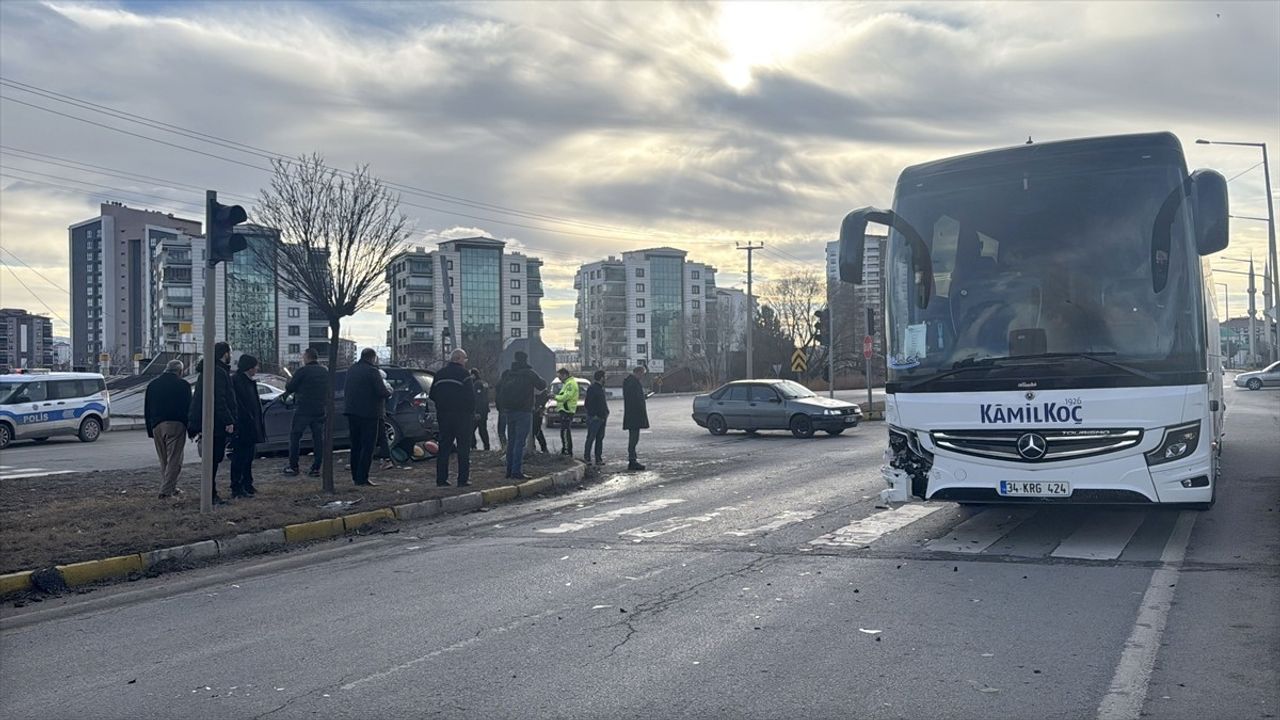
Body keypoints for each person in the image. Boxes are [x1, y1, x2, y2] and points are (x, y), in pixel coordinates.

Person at [188, 341, 237, 503]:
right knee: (213, 459)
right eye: (230, 352)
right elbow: (220, 400)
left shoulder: (210, 371)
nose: (231, 355)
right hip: (214, 423)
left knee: (212, 459)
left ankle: (210, 492)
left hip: (209, 422)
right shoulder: (218, 372)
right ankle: (210, 495)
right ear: (225, 354)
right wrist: (228, 420)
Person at [343, 348, 390, 487]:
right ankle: (362, 478)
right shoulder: (372, 371)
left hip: (352, 412)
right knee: (368, 446)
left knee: (355, 445)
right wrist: (389, 392)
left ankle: (355, 475)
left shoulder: (352, 370)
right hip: (370, 414)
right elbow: (381, 391)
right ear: (373, 358)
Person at [496, 350, 546, 480]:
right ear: (526, 359)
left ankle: (509, 470)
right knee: (520, 443)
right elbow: (542, 385)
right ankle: (516, 471)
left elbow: (498, 388)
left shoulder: (508, 374)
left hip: (509, 411)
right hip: (524, 411)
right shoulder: (529, 374)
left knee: (511, 442)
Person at [144, 359, 191, 498]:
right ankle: (165, 492)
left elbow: (147, 408)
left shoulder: (153, 385)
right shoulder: (183, 385)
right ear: (180, 371)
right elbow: (188, 407)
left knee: (164, 460)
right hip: (176, 425)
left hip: (156, 425)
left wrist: (150, 429)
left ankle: (171, 487)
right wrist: (191, 428)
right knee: (175, 460)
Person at [429, 348, 475, 487]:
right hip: (462, 417)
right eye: (464, 359)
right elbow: (470, 397)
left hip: (443, 416)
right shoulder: (464, 374)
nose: (465, 361)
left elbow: (432, 394)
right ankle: (462, 480)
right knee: (463, 449)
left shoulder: (439, 374)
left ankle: (441, 479)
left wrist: (442, 404)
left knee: (444, 448)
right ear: (459, 359)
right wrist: (470, 413)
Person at [282, 347, 328, 477]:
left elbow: (290, 388)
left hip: (303, 409)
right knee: (318, 439)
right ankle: (316, 468)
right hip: (319, 409)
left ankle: (293, 466)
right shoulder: (324, 371)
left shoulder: (302, 371)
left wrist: (289, 380)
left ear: (307, 357)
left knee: (295, 437)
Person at [229, 354, 266, 498]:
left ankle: (247, 483)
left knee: (249, 456)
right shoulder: (237, 381)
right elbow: (239, 405)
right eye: (255, 366)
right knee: (240, 457)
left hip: (251, 426)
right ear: (249, 367)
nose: (257, 368)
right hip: (243, 427)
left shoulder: (248, 382)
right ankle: (237, 487)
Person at [622, 365, 649, 471]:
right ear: (638, 372)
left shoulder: (629, 381)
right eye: (642, 374)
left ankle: (632, 459)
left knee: (633, 438)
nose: (642, 376)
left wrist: (643, 397)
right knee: (633, 439)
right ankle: (632, 460)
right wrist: (642, 398)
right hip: (634, 415)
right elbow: (635, 399)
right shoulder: (633, 383)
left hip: (631, 415)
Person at [583, 369, 609, 466]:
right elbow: (588, 403)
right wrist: (593, 415)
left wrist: (606, 412)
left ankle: (598, 458)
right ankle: (587, 458)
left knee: (599, 439)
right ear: (601, 377)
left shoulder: (600, 388)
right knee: (591, 438)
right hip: (595, 418)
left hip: (602, 417)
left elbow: (602, 403)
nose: (605, 379)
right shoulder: (593, 388)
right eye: (604, 377)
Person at [553, 368, 579, 456]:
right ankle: (565, 450)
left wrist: (555, 397)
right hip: (565, 410)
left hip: (567, 411)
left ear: (565, 375)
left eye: (560, 377)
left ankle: (567, 452)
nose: (560, 379)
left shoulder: (570, 384)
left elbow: (566, 396)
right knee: (564, 431)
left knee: (565, 432)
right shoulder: (567, 383)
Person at [471, 368, 491, 451]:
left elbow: (477, 399)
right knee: (482, 429)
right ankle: (487, 446)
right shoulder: (483, 383)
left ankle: (473, 446)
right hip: (484, 410)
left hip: (479, 411)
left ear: (473, 375)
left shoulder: (476, 384)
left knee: (471, 430)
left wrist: (476, 411)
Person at [531, 386, 550, 454]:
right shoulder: (543, 392)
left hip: (537, 413)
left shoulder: (542, 393)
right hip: (535, 412)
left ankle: (543, 448)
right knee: (534, 431)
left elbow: (542, 402)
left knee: (536, 430)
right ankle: (534, 447)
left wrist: (539, 408)